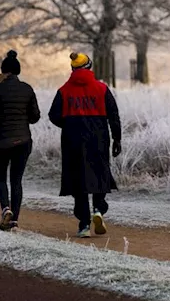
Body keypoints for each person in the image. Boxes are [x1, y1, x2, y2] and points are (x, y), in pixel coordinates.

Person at [48, 52, 122, 238]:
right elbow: (114, 115)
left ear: (73, 69)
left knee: (78, 180)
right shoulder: (102, 88)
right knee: (99, 173)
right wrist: (117, 139)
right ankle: (98, 208)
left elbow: (53, 115)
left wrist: (69, 124)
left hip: (73, 140)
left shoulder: (64, 90)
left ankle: (84, 225)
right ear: (89, 67)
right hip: (99, 137)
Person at [0, 50, 40, 231]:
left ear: (3, 71)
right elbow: (35, 116)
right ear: (18, 71)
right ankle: (14, 219)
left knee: (0, 179)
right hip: (23, 141)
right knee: (16, 180)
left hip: (1, 142)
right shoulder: (27, 89)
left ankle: (5, 209)